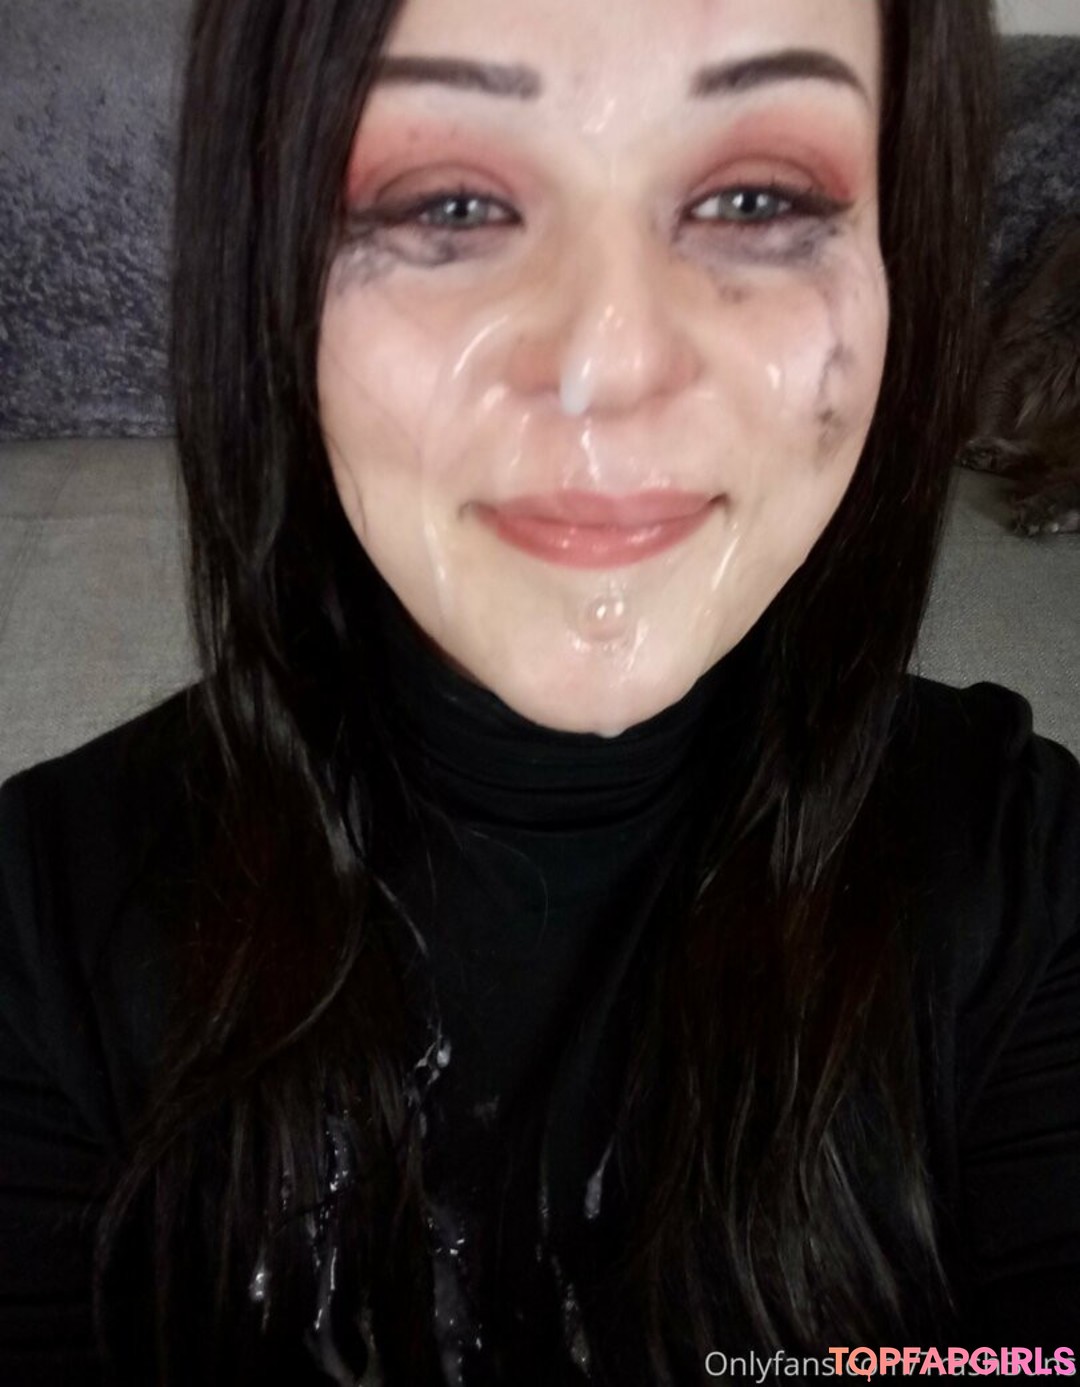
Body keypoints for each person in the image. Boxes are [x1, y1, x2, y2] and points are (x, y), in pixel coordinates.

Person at [1, 0, 1077, 1382]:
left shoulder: (1027, 887)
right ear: (267, 268)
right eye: (447, 201)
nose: (606, 367)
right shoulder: (41, 932)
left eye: (757, 198)